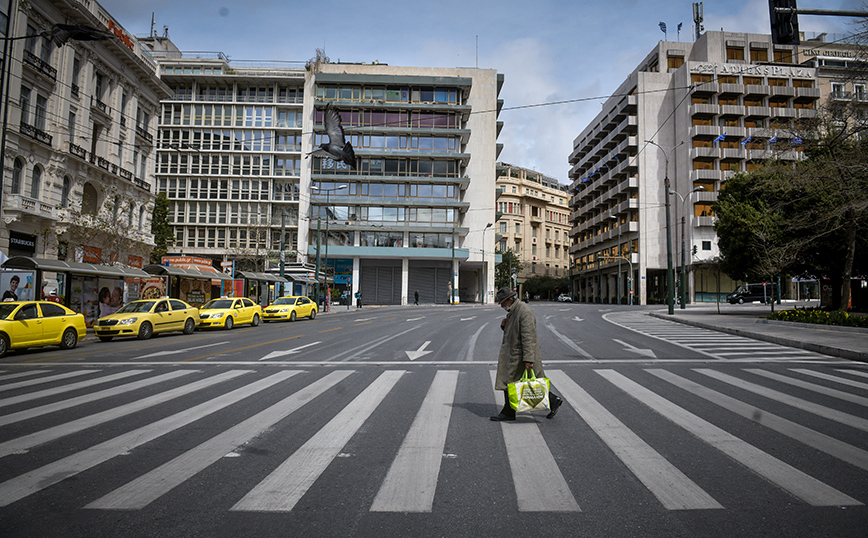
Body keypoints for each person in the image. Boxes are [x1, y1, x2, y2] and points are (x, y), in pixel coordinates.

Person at [491, 286, 563, 421]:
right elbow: (514, 331)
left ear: (510, 300)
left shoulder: (524, 311)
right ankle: (552, 401)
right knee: (517, 383)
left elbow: (528, 336)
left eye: (502, 302)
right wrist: (504, 326)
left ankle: (509, 412)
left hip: (520, 355)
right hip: (515, 354)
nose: (501, 305)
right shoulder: (514, 310)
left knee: (514, 383)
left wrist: (529, 359)